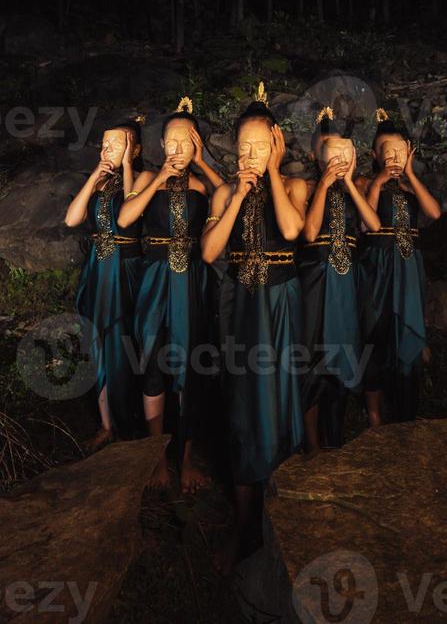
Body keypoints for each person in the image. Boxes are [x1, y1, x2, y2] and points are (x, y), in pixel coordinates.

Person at [201, 83, 308, 575]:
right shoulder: (223, 191)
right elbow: (208, 252)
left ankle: (283, 515)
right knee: (243, 402)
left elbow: (290, 232)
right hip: (241, 306)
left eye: (260, 146)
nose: (249, 154)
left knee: (282, 397)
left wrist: (270, 174)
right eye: (243, 146)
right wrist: (239, 192)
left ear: (276, 146)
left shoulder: (295, 186)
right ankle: (245, 525)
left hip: (281, 304)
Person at [118, 96, 224, 493]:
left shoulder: (201, 183)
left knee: (190, 366)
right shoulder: (147, 178)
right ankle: (157, 457)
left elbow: (227, 192)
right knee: (153, 361)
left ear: (196, 144)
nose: (178, 149)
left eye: (187, 142)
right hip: (155, 278)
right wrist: (160, 177)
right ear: (162, 144)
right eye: (172, 142)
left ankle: (185, 457)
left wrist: (199, 163)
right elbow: (126, 219)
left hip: (192, 281)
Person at [298, 106, 381, 451]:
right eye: (330, 156)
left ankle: (337, 436)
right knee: (313, 356)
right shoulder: (305, 187)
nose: (337, 162)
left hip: (346, 282)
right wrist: (325, 186)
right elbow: (309, 232)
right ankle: (312, 441)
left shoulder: (358, 187)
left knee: (345, 352)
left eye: (344, 156)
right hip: (315, 278)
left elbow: (373, 227)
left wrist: (347, 183)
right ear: (318, 158)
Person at [66, 118, 144, 453]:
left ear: (135, 150)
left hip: (125, 267)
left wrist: (126, 166)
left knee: (124, 339)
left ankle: (132, 424)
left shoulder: (143, 179)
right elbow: (71, 219)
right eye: (103, 144)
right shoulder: (98, 183)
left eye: (116, 144)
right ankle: (106, 424)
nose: (107, 150)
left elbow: (130, 213)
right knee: (96, 338)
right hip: (98, 266)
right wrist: (93, 178)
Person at [359, 108, 441, 426]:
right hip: (379, 264)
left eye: (400, 150)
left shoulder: (411, 187)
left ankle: (407, 410)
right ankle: (374, 412)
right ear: (375, 155)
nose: (393, 156)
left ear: (408, 152)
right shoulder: (367, 182)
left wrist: (411, 174)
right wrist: (379, 182)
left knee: (407, 328)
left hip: (409, 265)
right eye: (386, 151)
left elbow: (434, 213)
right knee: (376, 333)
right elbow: (366, 226)